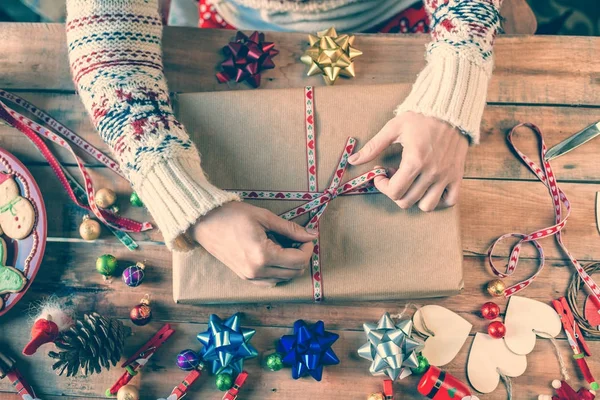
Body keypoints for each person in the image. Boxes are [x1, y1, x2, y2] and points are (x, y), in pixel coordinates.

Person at [65, 0, 502, 286]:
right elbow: (105, 31)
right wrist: (182, 195)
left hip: (412, 23)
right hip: (236, 33)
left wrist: (456, 78)